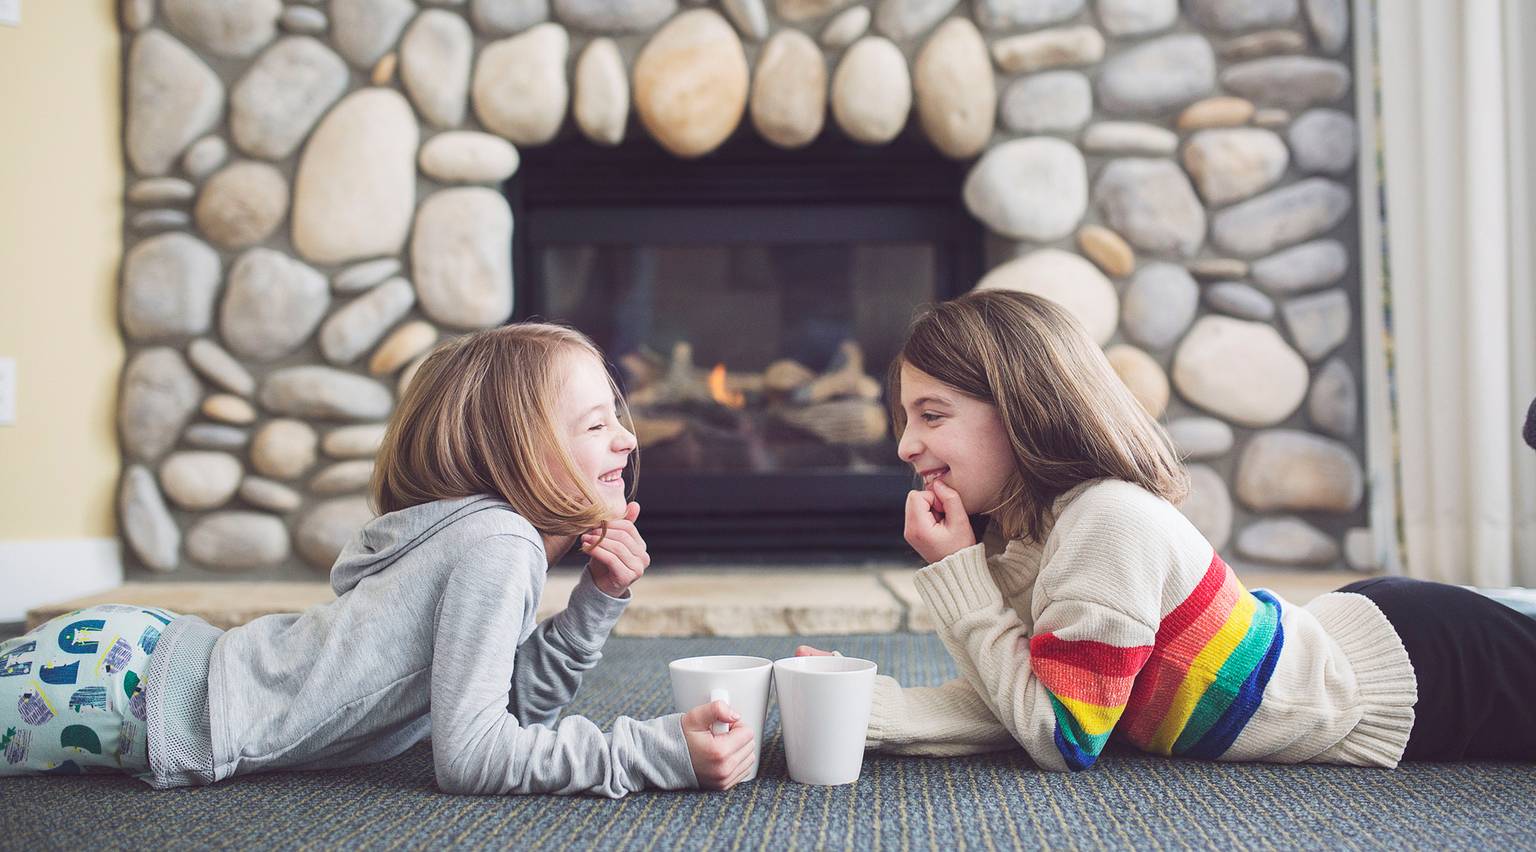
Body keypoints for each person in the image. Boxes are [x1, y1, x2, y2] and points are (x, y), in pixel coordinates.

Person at [0, 322, 756, 796]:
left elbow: (513, 710)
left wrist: (595, 599)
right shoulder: (499, 545)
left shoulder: (481, 540)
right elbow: (475, 759)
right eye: (598, 425)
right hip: (132, 691)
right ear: (523, 451)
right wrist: (657, 753)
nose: (627, 439)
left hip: (142, 660)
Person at [801, 289, 1536, 768]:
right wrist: (864, 707)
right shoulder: (1024, 537)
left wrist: (956, 570)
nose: (904, 446)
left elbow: (1061, 737)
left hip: (1430, 674)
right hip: (1360, 626)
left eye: (932, 416)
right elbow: (1019, 696)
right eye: (905, 419)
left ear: (1022, 409)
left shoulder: (1107, 523)